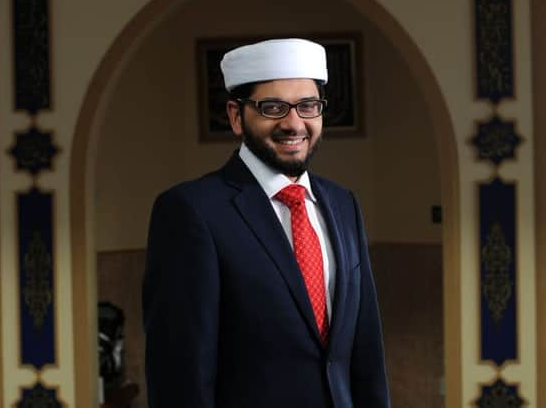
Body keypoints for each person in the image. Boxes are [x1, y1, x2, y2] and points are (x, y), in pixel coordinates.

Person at [142, 38, 390, 408]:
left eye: (308, 106)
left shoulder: (343, 204)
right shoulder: (190, 211)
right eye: (273, 107)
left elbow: (365, 350)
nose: (294, 123)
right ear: (235, 116)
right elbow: (179, 373)